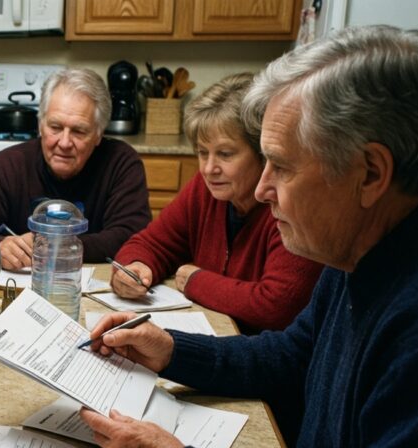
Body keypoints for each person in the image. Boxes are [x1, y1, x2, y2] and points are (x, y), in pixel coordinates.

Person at [81, 26, 418, 448]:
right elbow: (291, 355)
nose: (263, 189)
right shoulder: (358, 249)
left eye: (282, 167)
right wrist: (170, 349)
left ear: (371, 174)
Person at [111, 73, 322, 332]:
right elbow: (150, 243)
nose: (209, 168)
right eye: (202, 152)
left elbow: (275, 306)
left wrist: (195, 281)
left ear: (262, 154)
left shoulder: (288, 205)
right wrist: (135, 267)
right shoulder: (205, 189)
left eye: (225, 154)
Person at [0, 68, 151, 269]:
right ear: (40, 125)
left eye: (79, 131)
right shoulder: (8, 164)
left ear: (98, 134)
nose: (65, 142)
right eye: (55, 127)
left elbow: (131, 237)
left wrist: (51, 247)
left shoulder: (121, 162)